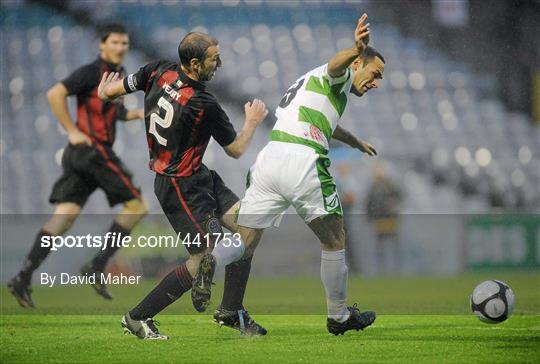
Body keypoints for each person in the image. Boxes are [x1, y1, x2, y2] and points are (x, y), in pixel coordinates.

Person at [195, 13, 384, 336]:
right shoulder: (338, 75)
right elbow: (335, 66)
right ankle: (338, 316)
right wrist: (355, 49)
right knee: (335, 239)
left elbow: (326, 123)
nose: (377, 82)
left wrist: (354, 141)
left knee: (244, 241)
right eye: (374, 73)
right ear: (357, 64)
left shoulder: (312, 87)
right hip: (303, 160)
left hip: (270, 159)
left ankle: (211, 259)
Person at [97, 32, 269, 339]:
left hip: (201, 177)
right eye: (214, 59)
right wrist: (252, 121)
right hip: (179, 186)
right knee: (200, 259)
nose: (219, 64)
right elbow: (236, 149)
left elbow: (113, 91)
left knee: (251, 225)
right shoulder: (204, 103)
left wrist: (105, 92)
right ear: (195, 63)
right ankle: (137, 317)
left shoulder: (157, 69)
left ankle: (231, 310)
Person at [8, 24, 147, 307]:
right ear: (102, 45)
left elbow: (113, 112)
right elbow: (54, 94)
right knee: (138, 206)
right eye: (116, 42)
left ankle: (22, 277)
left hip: (80, 155)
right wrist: (71, 129)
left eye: (125, 43)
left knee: (64, 217)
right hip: (94, 151)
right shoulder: (91, 72)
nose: (121, 47)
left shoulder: (114, 76)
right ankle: (97, 265)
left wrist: (140, 114)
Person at [365, 162, 402, 275]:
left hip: (390, 219)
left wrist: (392, 206)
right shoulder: (373, 187)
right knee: (380, 245)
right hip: (379, 219)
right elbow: (369, 203)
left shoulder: (389, 185)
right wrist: (369, 215)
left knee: (393, 243)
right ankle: (382, 270)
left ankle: (396, 269)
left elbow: (399, 196)